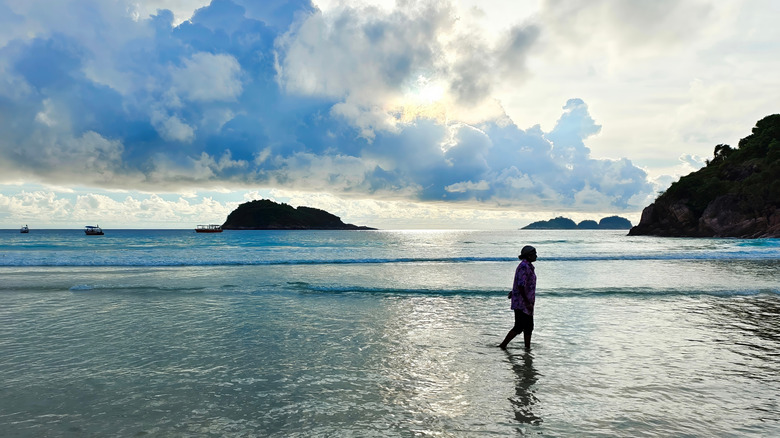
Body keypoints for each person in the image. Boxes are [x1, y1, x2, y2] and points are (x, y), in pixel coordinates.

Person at [499, 245, 537, 350]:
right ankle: (503, 345)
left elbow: (521, 283)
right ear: (529, 255)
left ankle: (527, 348)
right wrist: (527, 302)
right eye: (534, 254)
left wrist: (513, 291)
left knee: (529, 326)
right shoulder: (524, 266)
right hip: (522, 302)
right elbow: (521, 284)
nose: (536, 256)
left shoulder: (528, 266)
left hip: (526, 300)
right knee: (519, 326)